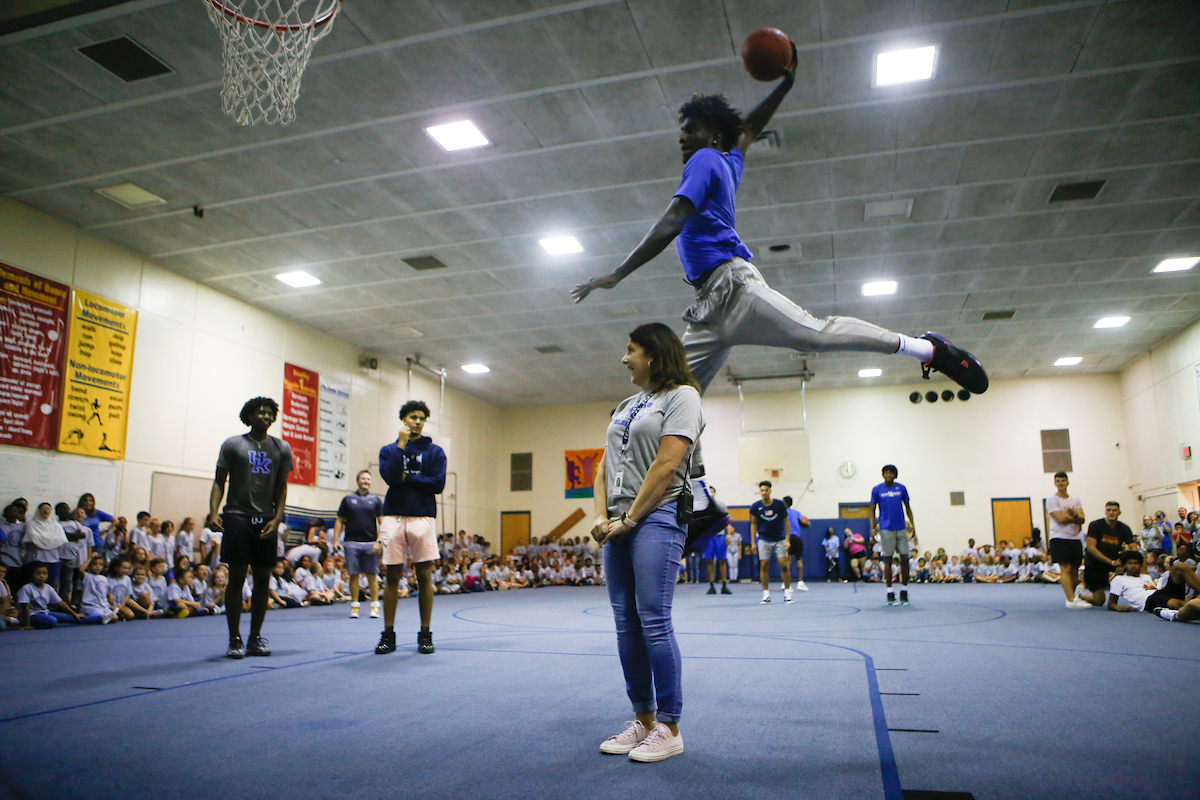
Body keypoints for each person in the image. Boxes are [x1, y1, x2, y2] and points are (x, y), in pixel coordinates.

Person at [570, 55, 988, 409]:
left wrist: (617, 274)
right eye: (682, 130)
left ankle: (929, 349)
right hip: (707, 308)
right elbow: (748, 130)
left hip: (733, 289)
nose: (683, 137)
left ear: (713, 137)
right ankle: (694, 491)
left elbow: (673, 219)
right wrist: (784, 86)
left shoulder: (705, 159)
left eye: (691, 129)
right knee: (675, 400)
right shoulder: (728, 160)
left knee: (815, 335)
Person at [592, 322, 702, 763]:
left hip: (656, 515)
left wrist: (632, 518)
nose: (624, 357)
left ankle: (671, 727)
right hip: (618, 521)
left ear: (654, 355)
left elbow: (667, 463)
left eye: (631, 349)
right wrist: (601, 516)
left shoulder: (684, 398)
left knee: (654, 620)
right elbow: (602, 466)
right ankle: (644, 719)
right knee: (626, 625)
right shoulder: (627, 404)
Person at [208, 396, 293, 659]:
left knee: (263, 580)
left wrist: (277, 518)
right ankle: (235, 638)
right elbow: (219, 481)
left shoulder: (281, 448)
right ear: (249, 415)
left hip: (266, 519)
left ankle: (255, 637)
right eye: (261, 412)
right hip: (236, 516)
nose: (266, 416)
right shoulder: (233, 444)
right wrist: (213, 510)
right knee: (236, 578)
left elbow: (281, 488)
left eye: (270, 413)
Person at [375, 400, 446, 656]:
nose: (417, 421)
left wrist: (410, 478)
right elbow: (391, 477)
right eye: (413, 417)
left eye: (421, 418)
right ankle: (388, 633)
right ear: (403, 420)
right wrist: (401, 446)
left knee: (424, 575)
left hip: (422, 516)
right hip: (393, 516)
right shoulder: (389, 450)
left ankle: (425, 633)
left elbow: (437, 484)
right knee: (392, 576)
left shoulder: (435, 452)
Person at [336, 470, 383, 619]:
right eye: (363, 478)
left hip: (371, 543)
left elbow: (382, 522)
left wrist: (379, 540)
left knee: (372, 575)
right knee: (353, 575)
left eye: (368, 479)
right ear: (357, 481)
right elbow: (339, 520)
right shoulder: (348, 499)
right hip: (351, 543)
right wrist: (336, 540)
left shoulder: (375, 500)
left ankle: (375, 606)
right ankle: (354, 606)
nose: (365, 481)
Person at [1107, 551, 1200, 621]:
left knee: (1179, 566)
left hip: (1159, 592)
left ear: (1141, 565)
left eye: (1136, 563)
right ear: (1124, 566)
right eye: (1130, 563)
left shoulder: (1146, 576)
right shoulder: (1119, 579)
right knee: (1179, 603)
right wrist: (1118, 607)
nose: (1133, 566)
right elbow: (1111, 603)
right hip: (1147, 600)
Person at [870, 465, 915, 605]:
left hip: (901, 527)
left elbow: (908, 508)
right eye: (886, 473)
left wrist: (912, 526)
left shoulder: (901, 488)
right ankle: (889, 592)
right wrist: (872, 528)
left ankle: (904, 590)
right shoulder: (877, 489)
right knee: (888, 559)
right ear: (883, 475)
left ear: (895, 475)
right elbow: (872, 510)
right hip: (885, 528)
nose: (888, 475)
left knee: (904, 558)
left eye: (891, 473)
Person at [1076, 501, 1135, 606]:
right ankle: (1080, 595)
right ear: (1105, 512)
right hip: (1095, 564)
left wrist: (1125, 563)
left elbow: (1134, 549)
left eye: (1114, 510)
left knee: (1138, 562)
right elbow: (1091, 548)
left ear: (1119, 513)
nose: (1111, 513)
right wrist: (1112, 562)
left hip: (1113, 561)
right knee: (1099, 601)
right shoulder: (1095, 525)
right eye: (1108, 510)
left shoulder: (1124, 528)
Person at [1046, 472, 1090, 608]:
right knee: (1065, 567)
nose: (1061, 484)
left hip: (1075, 537)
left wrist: (1075, 516)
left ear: (1067, 482)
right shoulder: (1052, 500)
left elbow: (1082, 519)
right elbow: (1061, 519)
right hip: (1059, 537)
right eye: (1058, 481)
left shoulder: (1075, 500)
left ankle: (1075, 596)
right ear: (1055, 483)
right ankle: (1070, 599)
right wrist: (1074, 516)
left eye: (1063, 481)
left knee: (1075, 570)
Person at [750, 481, 791, 604]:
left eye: (766, 490)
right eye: (762, 490)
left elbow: (786, 522)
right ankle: (766, 594)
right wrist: (753, 542)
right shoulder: (755, 506)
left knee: (783, 565)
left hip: (779, 539)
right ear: (760, 491)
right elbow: (753, 524)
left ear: (770, 491)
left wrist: (787, 539)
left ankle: (787, 593)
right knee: (764, 565)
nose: (764, 493)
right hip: (763, 539)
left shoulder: (779, 505)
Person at [17, 563, 82, 629]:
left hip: (45, 613)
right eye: (38, 574)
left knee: (74, 618)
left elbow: (60, 603)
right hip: (32, 615)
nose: (42, 576)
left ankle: (90, 619)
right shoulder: (26, 588)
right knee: (52, 620)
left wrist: (74, 614)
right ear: (31, 575)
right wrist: (27, 624)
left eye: (45, 574)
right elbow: (25, 608)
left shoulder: (48, 587)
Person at [783, 495, 810, 592]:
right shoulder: (797, 513)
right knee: (799, 559)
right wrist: (806, 523)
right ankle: (800, 582)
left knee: (787, 561)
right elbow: (805, 523)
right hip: (796, 538)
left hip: (787, 538)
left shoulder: (783, 513)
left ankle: (785, 583)